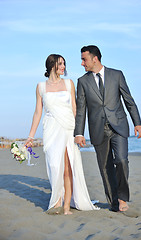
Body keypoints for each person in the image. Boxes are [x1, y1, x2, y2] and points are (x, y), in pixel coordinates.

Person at [74, 45, 141, 213]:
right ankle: (114, 202)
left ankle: (122, 197)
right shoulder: (82, 81)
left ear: (95, 58)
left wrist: (138, 123)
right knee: (105, 168)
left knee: (121, 160)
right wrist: (78, 133)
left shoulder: (117, 75)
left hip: (118, 125)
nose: (82, 63)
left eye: (84, 59)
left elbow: (129, 100)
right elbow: (81, 109)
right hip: (98, 129)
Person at [25, 54, 98, 215]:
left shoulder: (69, 83)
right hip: (51, 130)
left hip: (67, 129)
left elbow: (75, 108)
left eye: (64, 63)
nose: (63, 67)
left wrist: (79, 133)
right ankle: (56, 199)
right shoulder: (40, 87)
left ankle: (65, 207)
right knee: (54, 165)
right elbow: (38, 112)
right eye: (60, 64)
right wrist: (30, 137)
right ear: (51, 65)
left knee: (67, 167)